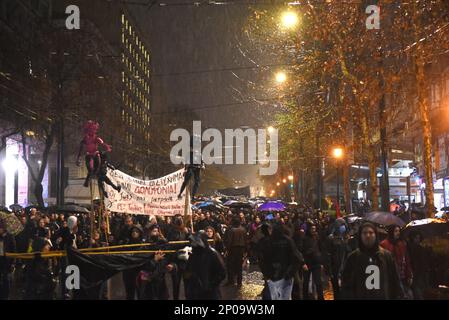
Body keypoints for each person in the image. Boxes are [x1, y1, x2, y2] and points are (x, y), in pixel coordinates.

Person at [341, 222, 403, 299]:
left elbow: (395, 280)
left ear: (375, 235)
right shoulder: (353, 257)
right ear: (360, 236)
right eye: (364, 233)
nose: (368, 235)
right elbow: (346, 284)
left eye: (371, 232)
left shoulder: (386, 256)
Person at [261, 223, 305, 300]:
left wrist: (267, 273)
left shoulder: (268, 241)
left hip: (274, 275)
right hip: (285, 275)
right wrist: (290, 272)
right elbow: (297, 257)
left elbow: (263, 259)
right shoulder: (288, 240)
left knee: (274, 296)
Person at [185, 232, 226, 299]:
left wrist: (211, 285)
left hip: (210, 293)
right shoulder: (193, 255)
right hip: (195, 292)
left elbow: (222, 273)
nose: (193, 244)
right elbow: (188, 270)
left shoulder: (212, 254)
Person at [380, 225, 413, 299]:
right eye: (395, 231)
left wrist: (409, 275)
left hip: (402, 275)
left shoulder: (402, 244)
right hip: (390, 276)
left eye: (398, 231)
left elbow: (406, 260)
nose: (398, 233)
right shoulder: (384, 244)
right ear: (391, 232)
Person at [167, 215, 190, 300]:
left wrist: (188, 233)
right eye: (177, 219)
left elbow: (191, 243)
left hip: (185, 262)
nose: (179, 221)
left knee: (187, 284)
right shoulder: (171, 232)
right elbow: (170, 245)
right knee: (176, 284)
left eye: (180, 219)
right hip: (175, 261)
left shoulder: (187, 230)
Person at [301, 224, 325, 300]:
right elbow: (301, 251)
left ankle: (320, 297)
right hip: (307, 263)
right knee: (306, 283)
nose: (314, 230)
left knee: (318, 283)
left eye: (314, 228)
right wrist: (303, 263)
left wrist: (321, 262)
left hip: (316, 263)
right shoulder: (304, 239)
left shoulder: (317, 238)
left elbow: (321, 249)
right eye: (312, 229)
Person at [328, 224, 352, 300]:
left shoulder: (345, 243)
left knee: (339, 289)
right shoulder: (336, 242)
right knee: (338, 289)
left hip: (341, 269)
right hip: (337, 269)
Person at [122, 225, 144, 300]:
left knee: (140, 292)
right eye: (133, 231)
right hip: (128, 271)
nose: (134, 233)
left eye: (136, 231)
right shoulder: (127, 243)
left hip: (139, 271)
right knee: (129, 293)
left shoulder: (143, 245)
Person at [224, 217, 247, 286]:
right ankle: (239, 282)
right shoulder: (243, 230)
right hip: (241, 249)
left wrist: (226, 249)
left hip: (232, 249)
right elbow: (246, 240)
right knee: (239, 266)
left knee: (230, 265)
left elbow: (229, 241)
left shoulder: (232, 230)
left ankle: (231, 281)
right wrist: (246, 250)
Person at [407, 231, 430, 300]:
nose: (418, 239)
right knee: (416, 290)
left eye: (419, 238)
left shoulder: (420, 248)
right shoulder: (411, 248)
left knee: (417, 290)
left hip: (418, 272)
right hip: (414, 272)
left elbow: (423, 261)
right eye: (416, 238)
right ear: (412, 238)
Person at [0, 219, 16, 300]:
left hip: (7, 261)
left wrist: (13, 263)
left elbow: (14, 250)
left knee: (6, 279)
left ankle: (6, 296)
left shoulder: (10, 236)